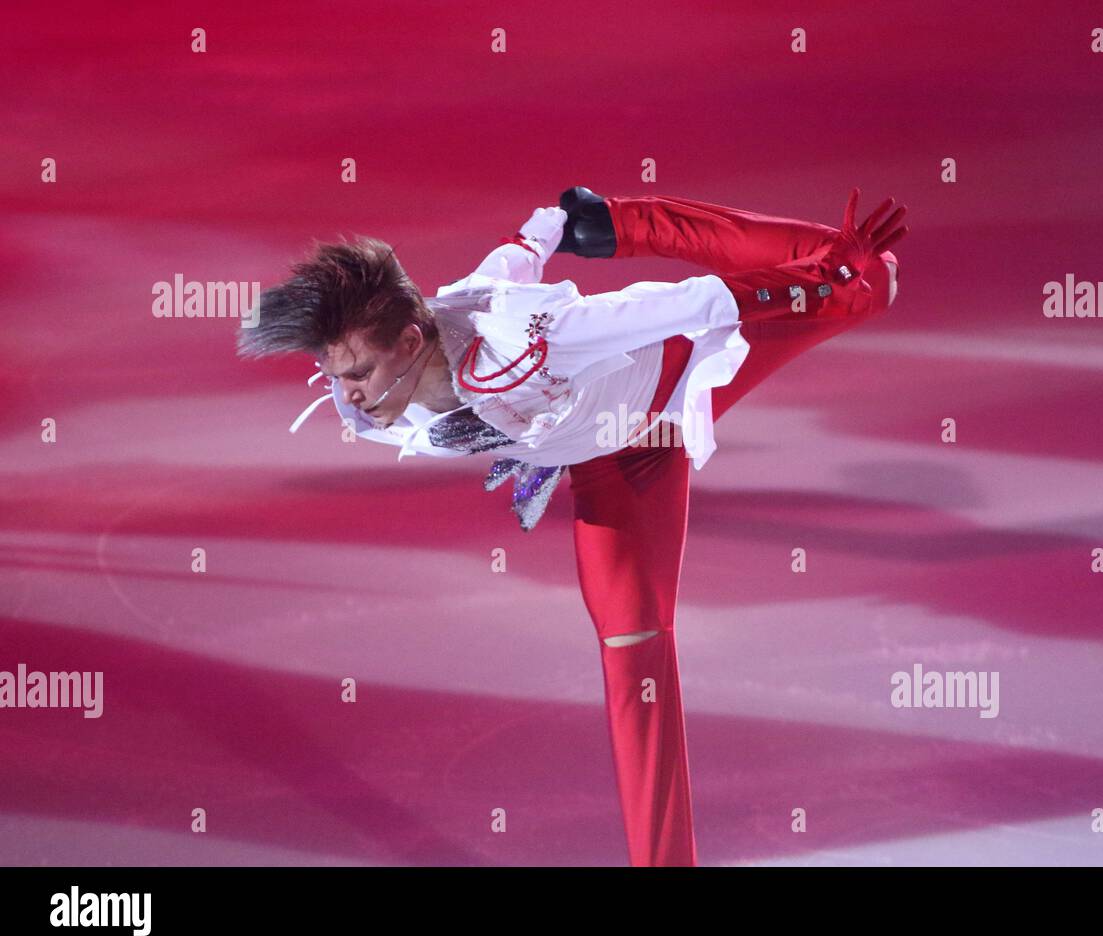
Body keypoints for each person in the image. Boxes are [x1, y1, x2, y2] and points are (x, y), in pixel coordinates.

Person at [236, 186, 908, 866]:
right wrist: (553, 226)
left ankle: (654, 225)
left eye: (356, 373)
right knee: (631, 640)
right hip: (609, 463)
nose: (345, 395)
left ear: (412, 341)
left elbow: (695, 302)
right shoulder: (391, 374)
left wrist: (815, 280)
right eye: (334, 375)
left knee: (867, 282)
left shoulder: (532, 338)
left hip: (671, 384)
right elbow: (515, 255)